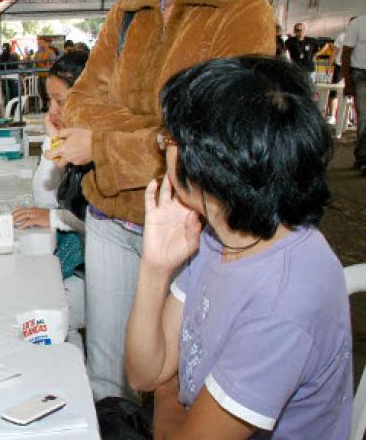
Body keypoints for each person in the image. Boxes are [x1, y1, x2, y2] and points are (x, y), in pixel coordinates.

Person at [53, 0, 275, 400]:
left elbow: (214, 136)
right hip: (113, 216)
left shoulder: (242, 11)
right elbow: (81, 103)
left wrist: (104, 146)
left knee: (184, 383)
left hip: (194, 225)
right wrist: (160, 126)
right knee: (111, 377)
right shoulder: (128, 12)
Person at [126, 56, 351, 439]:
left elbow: (165, 399)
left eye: (169, 138)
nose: (163, 148)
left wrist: (166, 398)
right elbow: (146, 373)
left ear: (206, 164)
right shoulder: (225, 232)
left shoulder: (284, 302)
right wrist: (155, 268)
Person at [12, 52, 90, 350]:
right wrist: (52, 141)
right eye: (50, 102)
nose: (52, 110)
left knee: (37, 306)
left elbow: (96, 219)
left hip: (89, 270)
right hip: (78, 256)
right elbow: (44, 196)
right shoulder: (72, 140)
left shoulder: (102, 148)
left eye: (60, 101)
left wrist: (56, 219)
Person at [341, 14, 366, 174]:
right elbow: (346, 54)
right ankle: (363, 158)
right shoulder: (357, 24)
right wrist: (348, 81)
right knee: (364, 117)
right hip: (360, 75)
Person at [327, 18, 356, 124]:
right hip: (340, 67)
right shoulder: (342, 36)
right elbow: (335, 52)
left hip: (354, 68)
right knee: (334, 92)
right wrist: (329, 65)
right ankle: (333, 116)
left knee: (350, 93)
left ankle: (347, 118)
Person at [0, 42, 21, 108]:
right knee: (14, 95)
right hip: (13, 78)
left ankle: (8, 112)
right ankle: (14, 111)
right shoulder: (14, 57)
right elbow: (17, 67)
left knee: (7, 96)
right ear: (10, 49)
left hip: (4, 78)